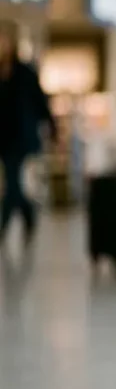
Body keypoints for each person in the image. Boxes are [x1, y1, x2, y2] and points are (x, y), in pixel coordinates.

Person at [0, 20, 53, 246]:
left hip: (21, 138)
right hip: (3, 138)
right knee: (14, 184)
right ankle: (28, 214)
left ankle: (3, 226)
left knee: (12, 183)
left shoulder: (25, 72)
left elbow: (40, 102)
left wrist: (52, 126)